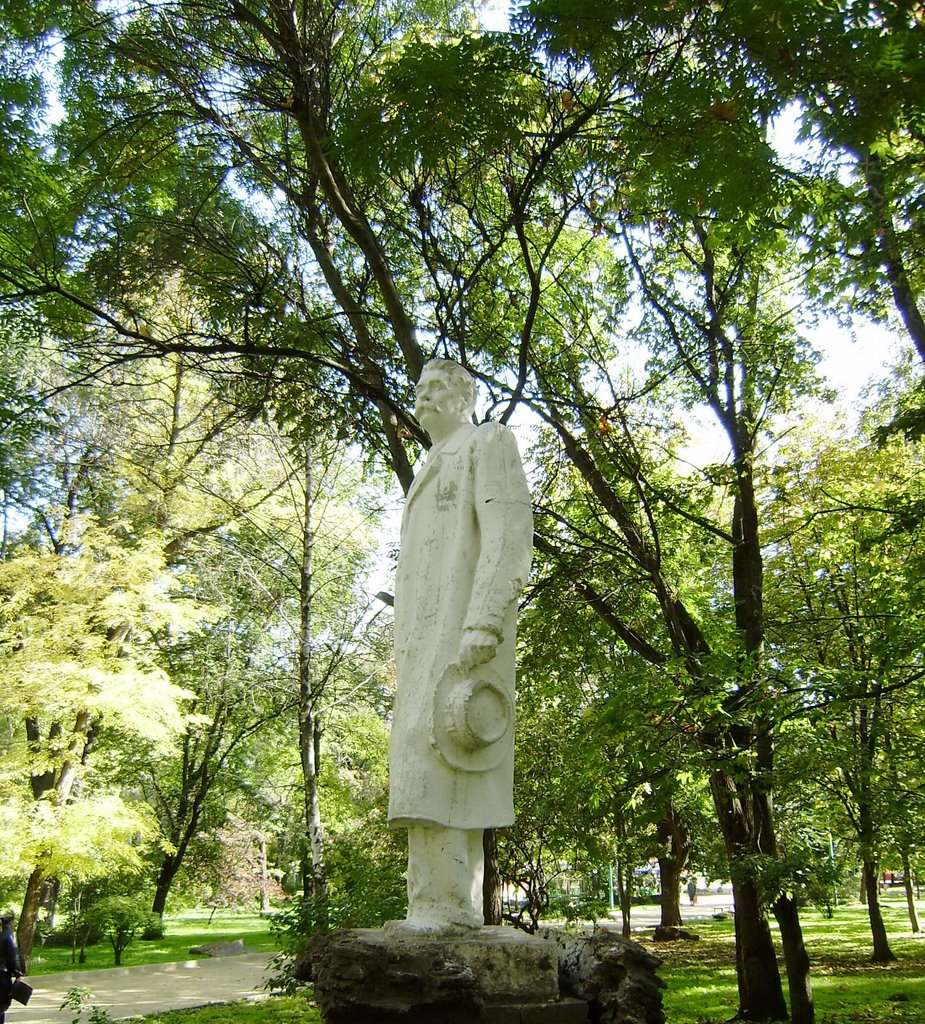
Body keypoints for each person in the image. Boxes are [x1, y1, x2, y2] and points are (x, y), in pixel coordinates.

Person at [388, 359, 533, 933]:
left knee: (448, 757)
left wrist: (484, 622)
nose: (419, 399)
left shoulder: (488, 442)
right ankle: (430, 904)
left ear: (461, 396)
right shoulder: (428, 466)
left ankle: (448, 909)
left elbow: (509, 531)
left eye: (432, 390)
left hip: (461, 634)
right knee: (421, 764)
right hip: (421, 640)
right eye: (417, 390)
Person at [0, 911, 22, 1024]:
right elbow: (13, 955)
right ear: (11, 923)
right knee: (2, 1004)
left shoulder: (1, 935)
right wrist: (17, 971)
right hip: (3, 975)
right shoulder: (10, 935)